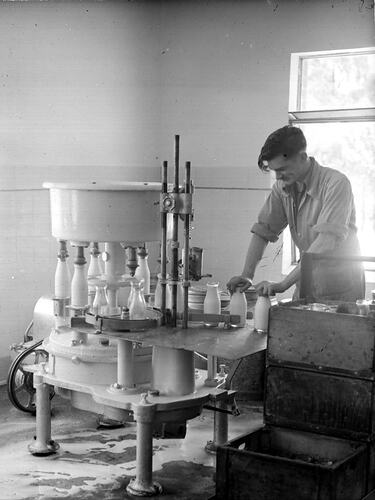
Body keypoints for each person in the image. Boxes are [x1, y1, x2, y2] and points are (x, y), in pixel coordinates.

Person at [226, 125, 365, 302]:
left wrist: (284, 284)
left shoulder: (336, 184)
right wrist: (247, 275)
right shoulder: (281, 188)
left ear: (302, 157)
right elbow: (263, 232)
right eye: (274, 170)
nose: (277, 177)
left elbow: (326, 241)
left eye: (282, 169)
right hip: (306, 287)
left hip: (341, 292)